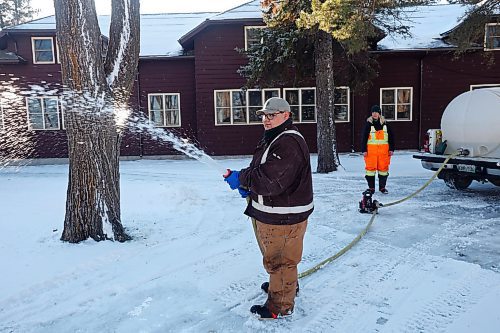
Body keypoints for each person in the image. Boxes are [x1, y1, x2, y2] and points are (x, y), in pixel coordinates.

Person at [223, 97, 314, 319]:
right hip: (276, 213)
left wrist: (243, 179)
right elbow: (263, 169)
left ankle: (280, 306)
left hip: (284, 217)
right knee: (279, 258)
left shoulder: (288, 142)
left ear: (286, 115)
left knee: (280, 261)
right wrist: (247, 185)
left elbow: (270, 181)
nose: (266, 119)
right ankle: (284, 286)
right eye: (264, 115)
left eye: (271, 115)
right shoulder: (274, 137)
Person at [361, 104, 395, 194]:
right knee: (370, 171)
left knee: (383, 170)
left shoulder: (386, 124)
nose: (374, 114)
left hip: (384, 153)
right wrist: (363, 150)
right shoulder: (368, 124)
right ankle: (371, 188)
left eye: (376, 112)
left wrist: (392, 149)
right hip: (371, 153)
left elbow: (391, 137)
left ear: (379, 113)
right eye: (373, 112)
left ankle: (382, 188)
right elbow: (364, 138)